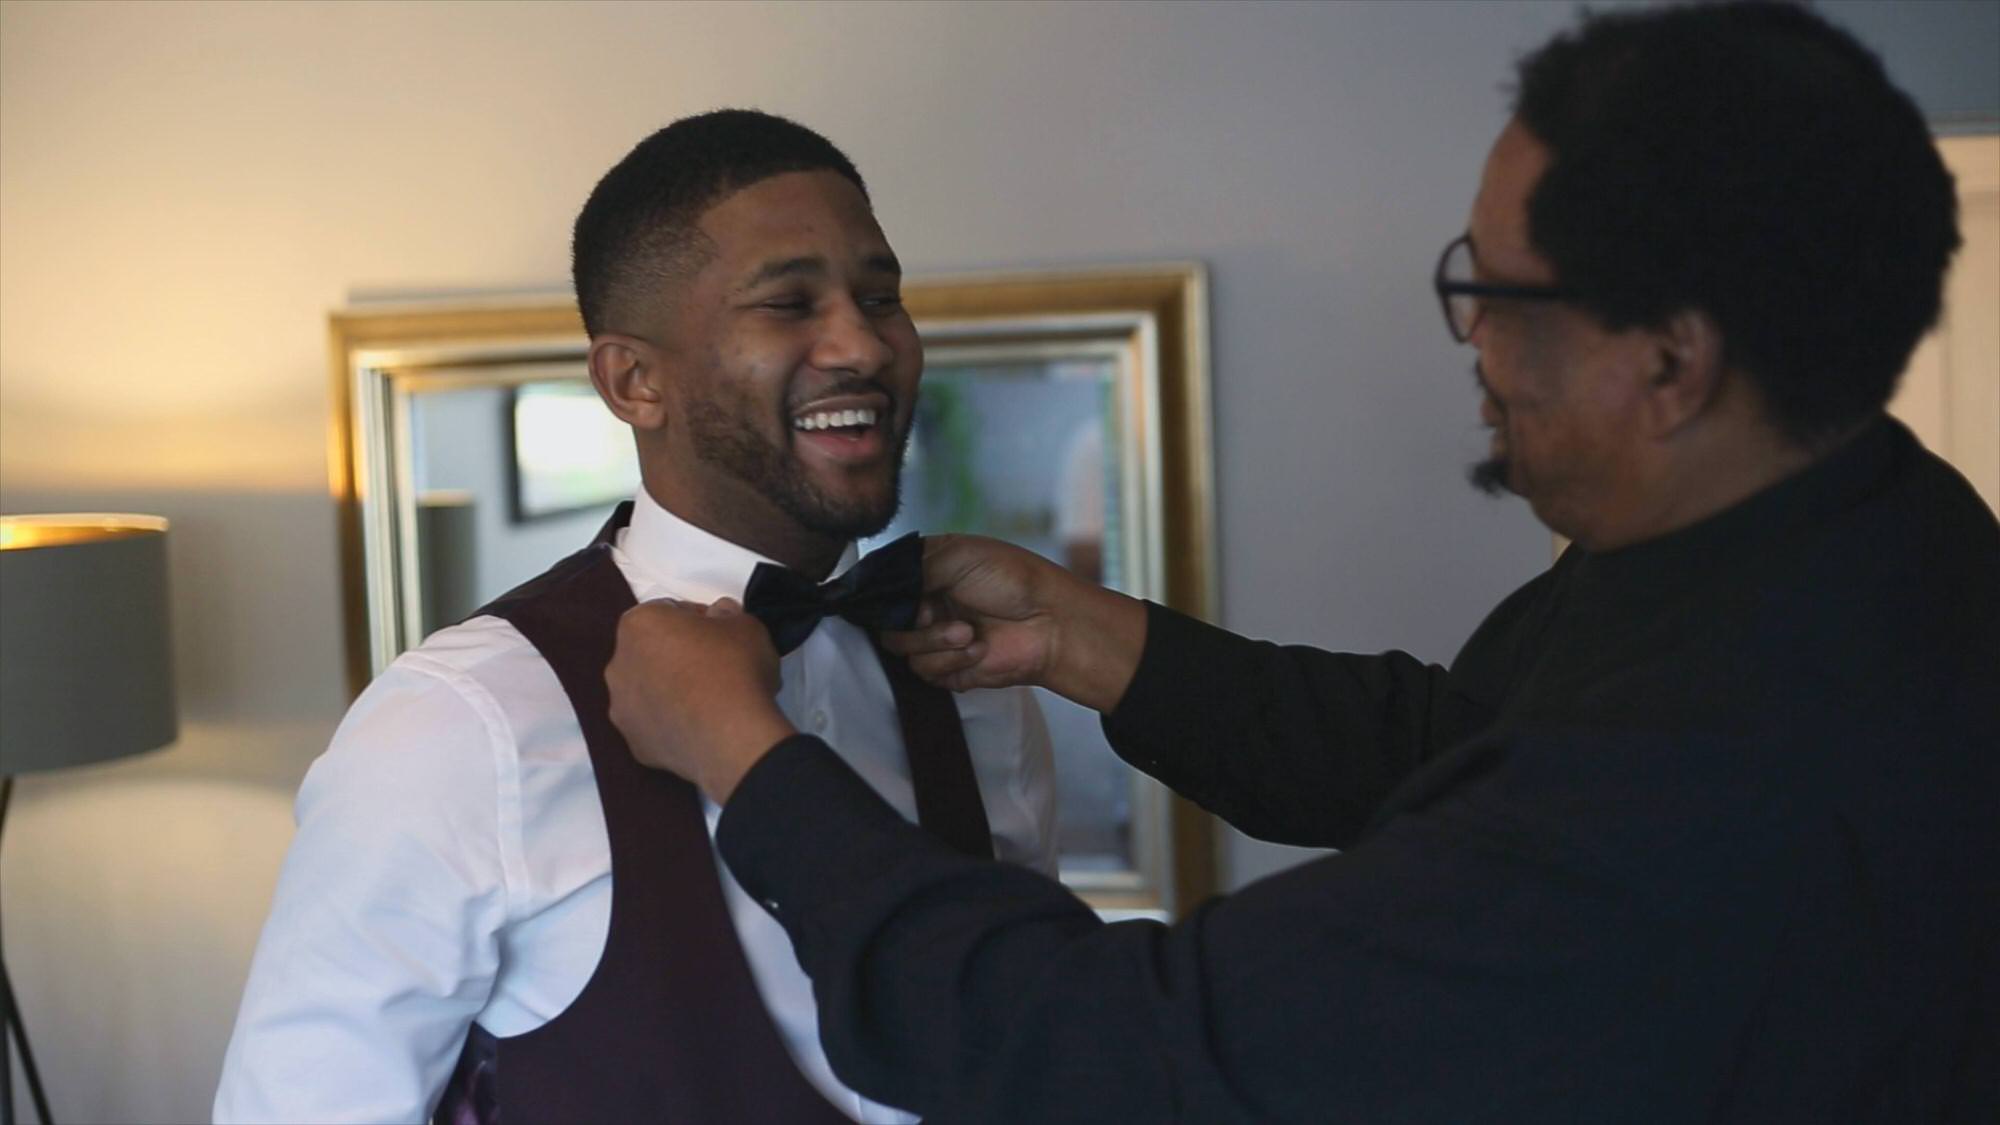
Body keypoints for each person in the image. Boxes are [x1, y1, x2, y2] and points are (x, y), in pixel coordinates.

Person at [602, 6, 1998, 1122]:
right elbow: (1463, 743)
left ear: (1671, 362)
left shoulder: (1703, 792)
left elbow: (1108, 1057)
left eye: (1493, 296)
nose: (1471, 344)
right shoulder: (1874, 529)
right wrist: (1099, 642)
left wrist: (751, 759)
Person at [214, 110, 1056, 1124]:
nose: (864, 344)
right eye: (790, 303)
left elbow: (1038, 1040)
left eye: (881, 297)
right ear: (633, 380)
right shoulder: (461, 722)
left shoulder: (967, 678)